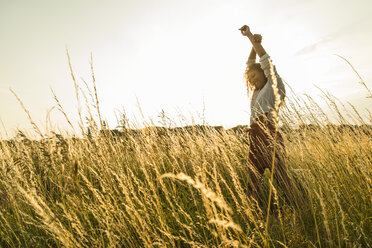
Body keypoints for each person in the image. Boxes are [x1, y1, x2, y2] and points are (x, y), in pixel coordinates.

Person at [239, 25, 290, 195]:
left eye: (254, 76)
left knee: (282, 179)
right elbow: (250, 64)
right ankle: (251, 210)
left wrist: (251, 38)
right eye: (250, 79)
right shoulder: (257, 92)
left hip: (268, 135)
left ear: (263, 73)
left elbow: (265, 60)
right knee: (253, 179)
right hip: (255, 137)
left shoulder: (273, 85)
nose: (252, 81)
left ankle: (297, 205)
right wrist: (252, 45)